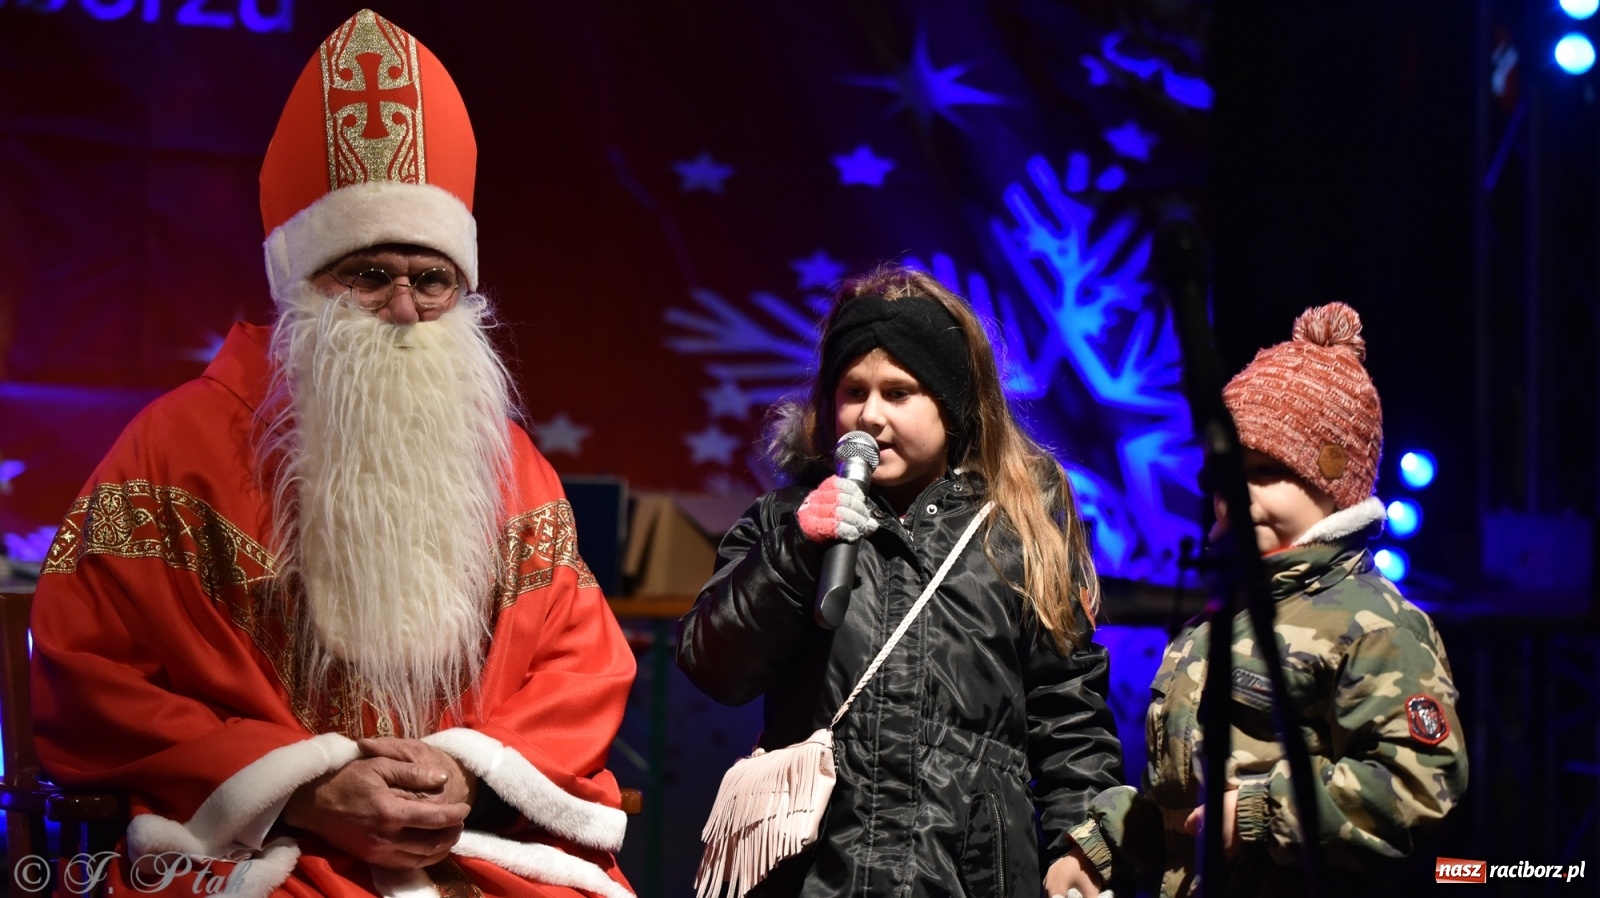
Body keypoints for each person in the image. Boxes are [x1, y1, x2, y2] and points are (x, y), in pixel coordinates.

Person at [30, 10, 636, 898]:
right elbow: (93, 670)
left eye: (432, 279)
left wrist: (467, 773)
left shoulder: (512, 468)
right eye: (369, 274)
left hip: (465, 841)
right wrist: (306, 788)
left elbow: (581, 664)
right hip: (262, 847)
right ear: (303, 283)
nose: (404, 308)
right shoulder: (174, 451)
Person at [676, 264, 1125, 896]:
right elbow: (713, 664)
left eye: (898, 392)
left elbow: (1068, 711)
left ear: (952, 404)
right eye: (853, 391)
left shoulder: (1017, 538)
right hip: (815, 875)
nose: (870, 416)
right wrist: (795, 549)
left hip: (966, 876)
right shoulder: (785, 521)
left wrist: (1081, 841)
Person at [1055, 303, 1468, 897]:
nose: (1240, 492)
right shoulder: (1213, 626)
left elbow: (1418, 783)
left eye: (1270, 470)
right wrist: (1102, 847)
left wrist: (1260, 813)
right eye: (1228, 472)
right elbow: (1184, 803)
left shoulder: (1376, 624)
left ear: (1334, 487)